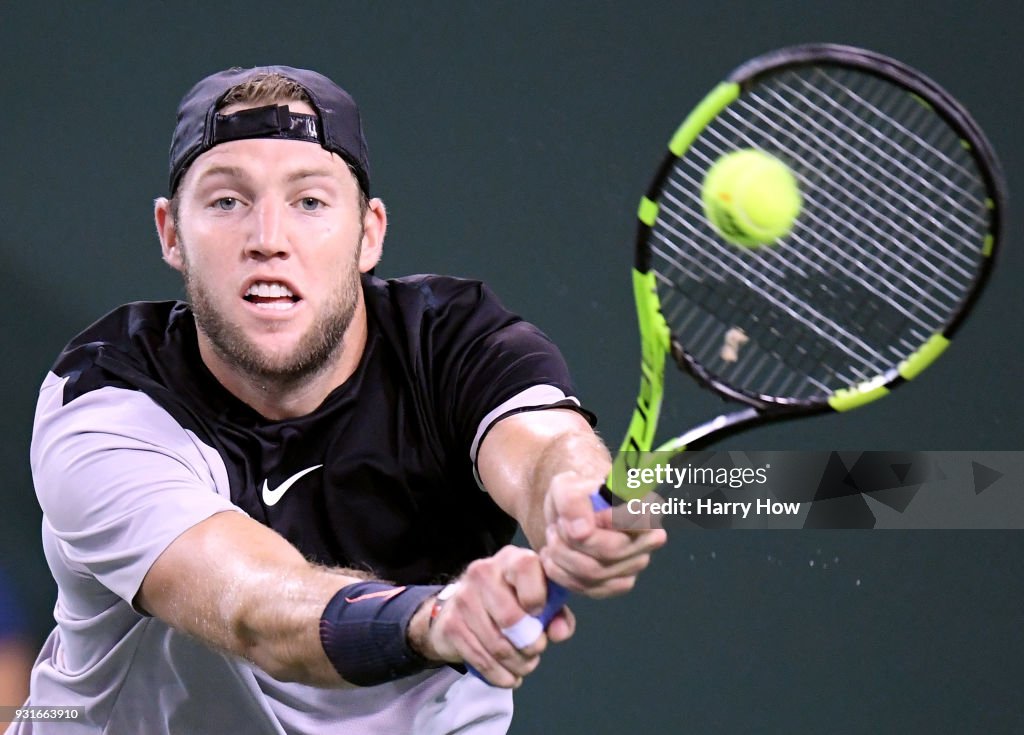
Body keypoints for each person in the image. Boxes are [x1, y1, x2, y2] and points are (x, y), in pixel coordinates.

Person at [15, 66, 665, 734]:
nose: (268, 237)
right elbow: (255, 609)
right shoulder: (106, 401)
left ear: (369, 234)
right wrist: (432, 619)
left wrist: (572, 495)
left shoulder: (456, 343)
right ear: (171, 233)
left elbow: (543, 451)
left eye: (310, 202)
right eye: (226, 202)